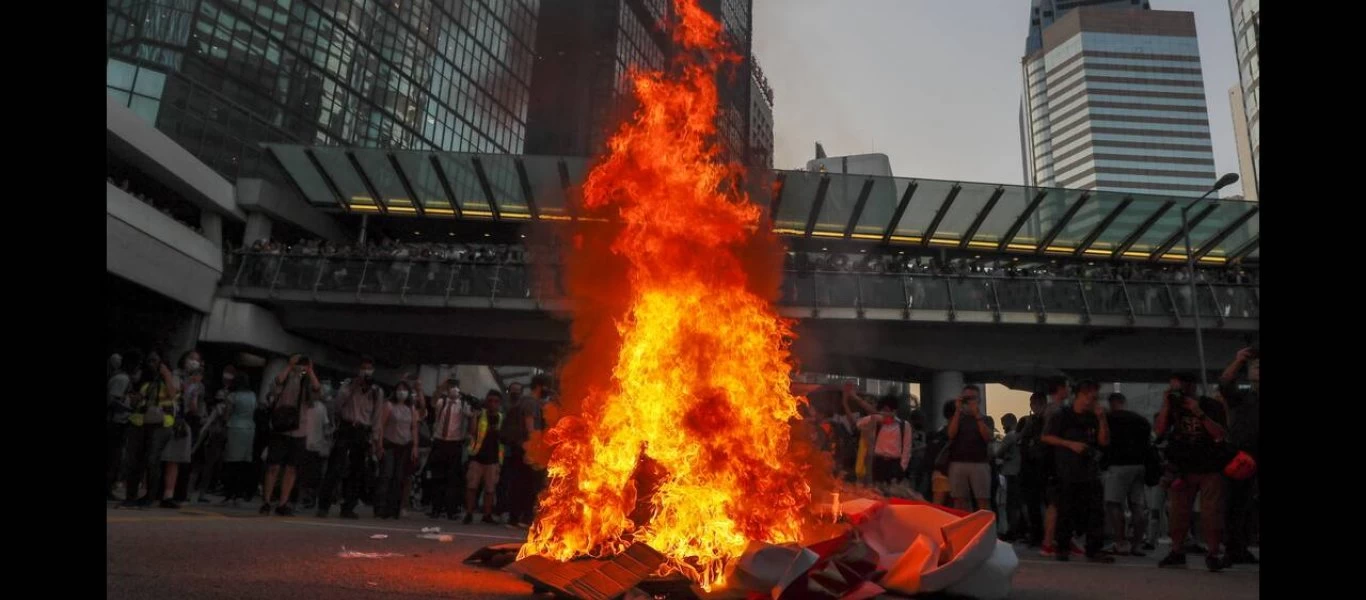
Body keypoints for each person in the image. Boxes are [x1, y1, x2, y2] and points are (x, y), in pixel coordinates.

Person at [1156, 373, 1229, 571]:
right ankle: (1177, 551)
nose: (1176, 393)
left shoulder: (1210, 405)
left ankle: (1213, 553)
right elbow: (1160, 431)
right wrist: (1166, 405)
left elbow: (1220, 435)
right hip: (1183, 468)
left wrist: (1199, 413)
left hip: (1210, 467)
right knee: (1178, 512)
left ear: (1191, 386)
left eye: (1179, 388)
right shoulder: (1173, 406)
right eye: (1173, 389)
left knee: (1211, 513)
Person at [1041, 380, 1113, 563]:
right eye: (1087, 396)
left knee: (1095, 511)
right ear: (1077, 396)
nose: (1090, 401)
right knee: (1065, 510)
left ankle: (1094, 548)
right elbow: (1046, 437)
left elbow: (1104, 442)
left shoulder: (1094, 417)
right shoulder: (1062, 415)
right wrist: (1070, 444)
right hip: (1066, 470)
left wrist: (1102, 418)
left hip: (1089, 471)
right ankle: (1062, 547)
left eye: (1094, 397)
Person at [317, 358, 383, 519]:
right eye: (363, 368)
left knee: (357, 470)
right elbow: (337, 406)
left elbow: (377, 417)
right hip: (346, 427)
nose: (366, 372)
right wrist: (353, 387)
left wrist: (375, 440)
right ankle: (324, 505)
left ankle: (348, 506)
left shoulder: (376, 391)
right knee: (335, 467)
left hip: (362, 431)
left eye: (369, 368)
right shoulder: (348, 385)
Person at [261, 354, 321, 516]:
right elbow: (277, 383)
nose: (300, 366)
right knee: (273, 465)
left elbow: (317, 390)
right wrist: (289, 366)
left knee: (291, 468)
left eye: (303, 364)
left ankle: (283, 502)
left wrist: (310, 371)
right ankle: (266, 500)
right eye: (299, 364)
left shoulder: (307, 381)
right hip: (281, 427)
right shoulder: (286, 378)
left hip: (299, 429)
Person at [120, 352, 181, 508]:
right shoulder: (144, 380)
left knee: (152, 460)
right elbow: (136, 401)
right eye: (149, 361)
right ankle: (130, 496)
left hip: (161, 423)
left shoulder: (171, 378)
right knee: (133, 461)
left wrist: (165, 373)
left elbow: (173, 394)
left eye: (155, 361)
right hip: (139, 422)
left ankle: (149, 497)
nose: (151, 364)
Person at [1218, 346, 1260, 567]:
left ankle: (1239, 547)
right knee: (1236, 503)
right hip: (1243, 454)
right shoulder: (1243, 397)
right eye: (1254, 366)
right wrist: (1238, 360)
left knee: (1242, 504)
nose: (1257, 369)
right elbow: (1224, 383)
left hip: (1247, 451)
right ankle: (1236, 549)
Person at [1102, 392, 1151, 556]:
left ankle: (1121, 543)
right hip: (1139, 465)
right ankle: (1137, 544)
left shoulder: (1108, 419)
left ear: (1111, 403)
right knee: (1137, 506)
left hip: (1117, 465)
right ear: (1124, 402)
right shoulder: (1140, 420)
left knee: (1114, 504)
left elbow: (1103, 441)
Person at [426, 377, 472, 520]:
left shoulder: (463, 403)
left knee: (453, 479)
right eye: (451, 386)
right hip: (440, 441)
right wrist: (441, 387)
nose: (453, 389)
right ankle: (436, 508)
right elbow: (433, 402)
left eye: (455, 386)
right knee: (437, 477)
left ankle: (451, 509)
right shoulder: (443, 401)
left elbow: (471, 415)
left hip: (455, 442)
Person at [373, 380, 419, 519]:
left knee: (399, 477)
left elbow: (414, 428)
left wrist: (415, 446)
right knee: (386, 475)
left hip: (404, 445)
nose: (401, 392)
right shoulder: (389, 405)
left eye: (404, 390)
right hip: (389, 444)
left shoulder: (411, 408)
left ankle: (394, 508)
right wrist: (379, 444)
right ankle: (381, 507)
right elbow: (381, 425)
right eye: (399, 389)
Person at [945, 385, 991, 512]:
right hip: (958, 462)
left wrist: (977, 414)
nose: (969, 401)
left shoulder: (985, 419)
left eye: (973, 398)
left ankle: (986, 530)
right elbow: (951, 434)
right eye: (966, 398)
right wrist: (958, 410)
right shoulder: (957, 418)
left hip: (979, 463)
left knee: (983, 500)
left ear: (979, 399)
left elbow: (987, 437)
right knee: (959, 501)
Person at [169, 350, 206, 504]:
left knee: (185, 457)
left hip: (191, 419)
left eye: (196, 360)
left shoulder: (199, 383)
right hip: (173, 415)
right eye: (191, 358)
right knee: (169, 456)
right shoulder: (176, 375)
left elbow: (196, 407)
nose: (193, 362)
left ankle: (179, 493)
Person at [194, 365, 235, 503]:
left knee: (208, 464)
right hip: (214, 433)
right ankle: (200, 491)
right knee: (207, 464)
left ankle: (200, 491)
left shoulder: (226, 396)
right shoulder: (221, 401)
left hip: (214, 433)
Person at [465, 390, 504, 525]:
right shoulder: (480, 415)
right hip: (477, 457)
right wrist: (474, 416)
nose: (493, 404)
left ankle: (487, 515)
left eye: (496, 401)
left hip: (493, 459)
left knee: (490, 489)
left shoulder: (501, 418)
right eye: (490, 400)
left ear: (500, 404)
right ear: (486, 402)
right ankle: (469, 513)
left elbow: (503, 438)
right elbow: (471, 432)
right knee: (472, 487)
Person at [856, 395, 913, 484]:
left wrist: (902, 468)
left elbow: (907, 449)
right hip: (879, 462)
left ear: (894, 410)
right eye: (883, 410)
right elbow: (859, 423)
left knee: (894, 492)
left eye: (887, 410)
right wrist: (878, 417)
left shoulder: (904, 425)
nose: (885, 413)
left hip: (895, 463)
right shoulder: (878, 422)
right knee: (878, 492)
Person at [1015, 393, 1048, 548]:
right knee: (1032, 503)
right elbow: (1018, 439)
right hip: (1029, 467)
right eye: (1032, 403)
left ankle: (1044, 534)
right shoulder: (1026, 421)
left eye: (1036, 403)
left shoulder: (1048, 421)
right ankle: (1036, 533)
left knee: (1045, 503)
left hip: (1043, 467)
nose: (1033, 407)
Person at [220, 372, 257, 506]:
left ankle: (229, 493)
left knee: (231, 462)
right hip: (249, 428)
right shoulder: (253, 395)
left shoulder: (233, 396)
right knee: (244, 463)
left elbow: (226, 414)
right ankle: (240, 494)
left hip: (235, 427)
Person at [107, 353, 134, 501]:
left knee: (115, 457)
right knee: (113, 456)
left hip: (119, 422)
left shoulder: (122, 378)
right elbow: (112, 400)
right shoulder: (122, 379)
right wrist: (130, 410)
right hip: (115, 423)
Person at [994, 413, 1023, 541]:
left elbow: (998, 453)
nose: (1003, 427)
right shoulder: (1019, 436)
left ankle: (1011, 531)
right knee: (1017, 503)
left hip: (1010, 472)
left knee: (1010, 504)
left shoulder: (1009, 437)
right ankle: (1018, 530)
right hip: (1019, 472)